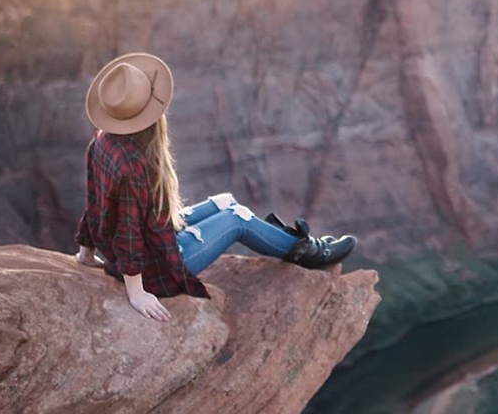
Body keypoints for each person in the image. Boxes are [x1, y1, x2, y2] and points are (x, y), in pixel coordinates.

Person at [75, 52, 356, 322]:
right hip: (156, 267)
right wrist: (136, 292)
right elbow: (128, 228)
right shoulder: (134, 164)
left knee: (226, 202)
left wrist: (86, 254)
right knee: (236, 220)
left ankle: (295, 243)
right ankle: (310, 252)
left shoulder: (101, 141)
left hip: (146, 247)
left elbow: (95, 202)